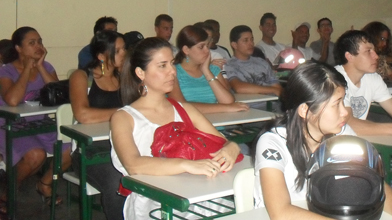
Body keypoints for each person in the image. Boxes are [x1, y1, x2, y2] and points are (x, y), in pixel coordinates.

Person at [254, 61, 392, 220]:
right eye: (336, 104)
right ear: (305, 110)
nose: (345, 112)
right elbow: (280, 213)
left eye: (343, 102)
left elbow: (371, 179)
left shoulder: (341, 133)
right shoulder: (273, 142)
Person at [110, 37, 241, 220]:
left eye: (172, 63)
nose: (172, 71)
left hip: (197, 194)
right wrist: (187, 164)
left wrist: (232, 147)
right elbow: (134, 165)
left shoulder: (184, 109)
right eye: (162, 66)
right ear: (140, 73)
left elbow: (221, 142)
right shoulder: (124, 118)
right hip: (155, 202)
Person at [0, 27, 71, 206]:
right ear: (18, 48)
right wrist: (26, 69)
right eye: (32, 43)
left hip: (40, 122)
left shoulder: (46, 67)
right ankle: (9, 190)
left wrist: (39, 67)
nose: (38, 46)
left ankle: (44, 184)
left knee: (69, 150)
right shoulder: (6, 71)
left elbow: (60, 96)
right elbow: (12, 100)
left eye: (40, 41)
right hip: (10, 124)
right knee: (35, 155)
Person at [69, 30, 127, 220]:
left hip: (123, 144)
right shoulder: (82, 76)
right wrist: (123, 112)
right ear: (101, 56)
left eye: (124, 49)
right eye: (118, 51)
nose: (124, 54)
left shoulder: (124, 77)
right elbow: (83, 115)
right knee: (117, 183)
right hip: (91, 151)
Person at [333, 30, 392, 137]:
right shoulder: (334, 80)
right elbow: (347, 124)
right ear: (349, 56)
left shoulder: (372, 78)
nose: (376, 56)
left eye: (374, 51)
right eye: (368, 51)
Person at [167, 26, 248, 113]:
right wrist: (225, 108)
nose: (207, 51)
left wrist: (206, 71)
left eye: (207, 45)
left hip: (218, 120)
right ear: (186, 50)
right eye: (201, 47)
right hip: (190, 121)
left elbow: (228, 101)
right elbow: (180, 106)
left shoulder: (212, 70)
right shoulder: (173, 72)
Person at [224, 26, 282, 97]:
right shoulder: (229, 65)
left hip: (271, 102)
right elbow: (239, 88)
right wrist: (272, 90)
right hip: (248, 103)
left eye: (252, 39)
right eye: (246, 40)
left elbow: (277, 87)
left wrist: (274, 90)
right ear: (234, 45)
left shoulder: (262, 62)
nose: (251, 43)